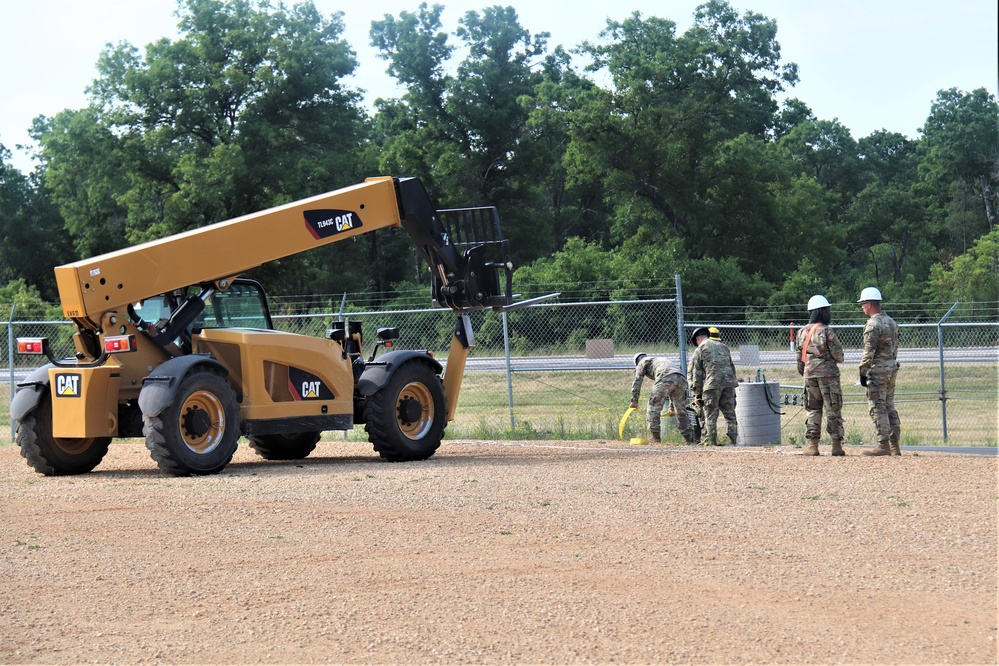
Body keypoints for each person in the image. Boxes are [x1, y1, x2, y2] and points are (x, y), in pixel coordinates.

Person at [795, 295, 845, 456]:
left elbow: (799, 359)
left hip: (809, 376)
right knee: (833, 409)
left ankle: (812, 446)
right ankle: (836, 446)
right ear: (822, 312)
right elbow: (839, 356)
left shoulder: (801, 332)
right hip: (828, 376)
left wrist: (805, 371)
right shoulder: (826, 331)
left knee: (813, 410)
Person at [857, 287, 902, 456]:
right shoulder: (891, 321)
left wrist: (863, 372)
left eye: (863, 304)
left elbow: (868, 351)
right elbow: (894, 346)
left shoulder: (873, 324)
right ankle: (894, 444)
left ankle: (883, 444)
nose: (862, 307)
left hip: (878, 371)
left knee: (877, 405)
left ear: (869, 304)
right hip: (891, 366)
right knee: (889, 404)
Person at [687, 327, 739, 446]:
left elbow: (697, 374)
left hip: (712, 385)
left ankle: (711, 442)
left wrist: (697, 394)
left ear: (698, 339)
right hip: (729, 383)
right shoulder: (724, 346)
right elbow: (731, 366)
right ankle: (733, 441)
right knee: (730, 414)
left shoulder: (701, 348)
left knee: (710, 414)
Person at [630, 353, 695, 444]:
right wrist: (672, 406)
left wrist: (634, 401)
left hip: (665, 378)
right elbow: (673, 381)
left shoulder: (642, 362)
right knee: (681, 410)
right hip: (681, 379)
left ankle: (655, 438)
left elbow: (637, 381)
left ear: (637, 362)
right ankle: (689, 439)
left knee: (654, 406)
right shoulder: (659, 359)